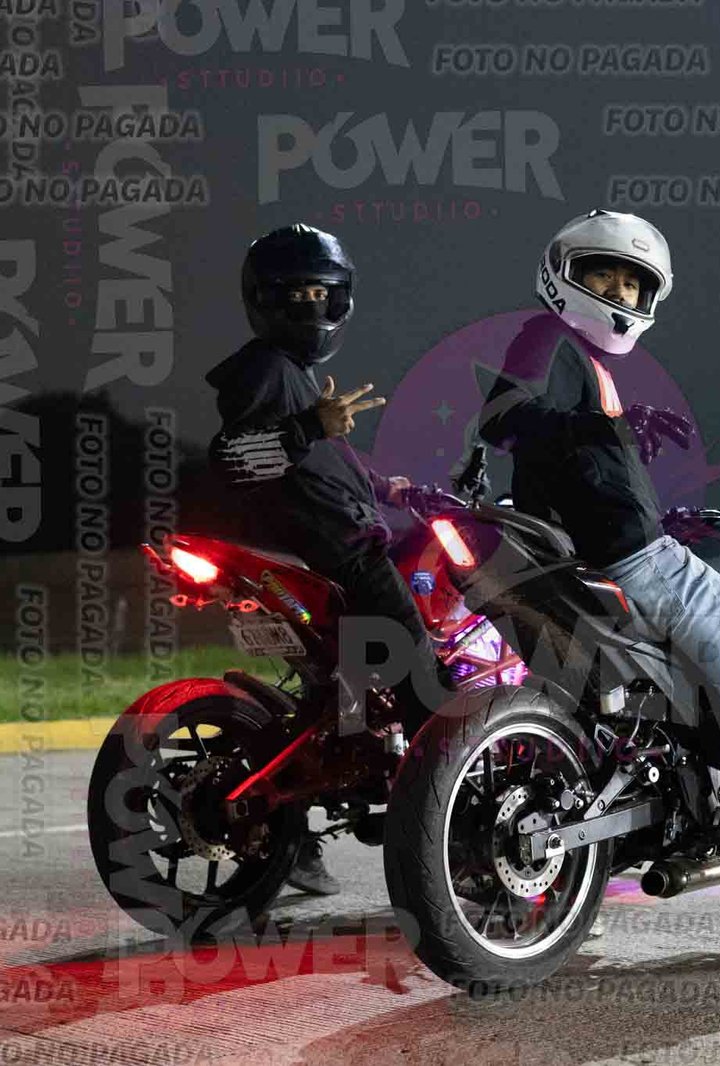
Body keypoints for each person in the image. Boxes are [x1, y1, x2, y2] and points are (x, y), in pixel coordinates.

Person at [478, 209, 720, 959]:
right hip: (639, 561)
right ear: (563, 273)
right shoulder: (547, 338)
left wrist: (620, 433)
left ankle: (588, 871)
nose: (619, 292)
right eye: (603, 273)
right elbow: (505, 417)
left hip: (589, 556)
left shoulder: (578, 360)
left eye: (633, 282)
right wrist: (601, 431)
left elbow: (563, 451)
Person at [205, 222, 450, 897]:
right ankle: (450, 832)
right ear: (265, 299)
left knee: (340, 703)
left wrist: (389, 487)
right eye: (297, 294)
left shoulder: (288, 373)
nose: (311, 306)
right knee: (427, 686)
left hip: (323, 546)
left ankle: (295, 840)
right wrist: (314, 424)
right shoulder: (265, 370)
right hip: (338, 552)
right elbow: (233, 460)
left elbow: (318, 465)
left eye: (323, 293)